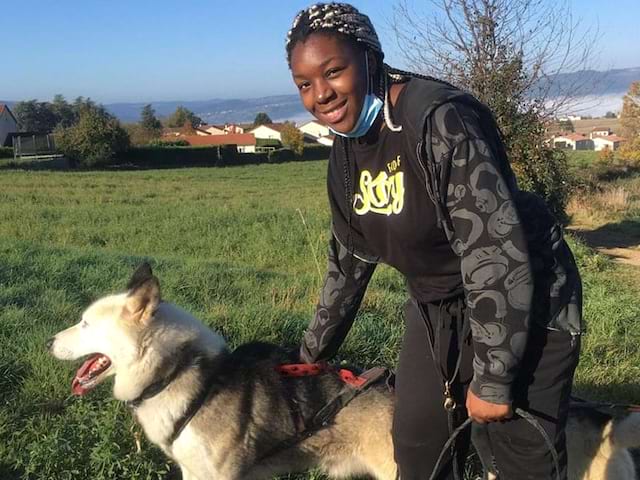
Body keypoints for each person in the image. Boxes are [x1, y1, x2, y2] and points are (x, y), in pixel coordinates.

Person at [285, 3, 583, 479]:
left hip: (527, 298)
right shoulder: (345, 157)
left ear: (370, 59)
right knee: (417, 445)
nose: (321, 94)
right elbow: (348, 264)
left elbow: (495, 254)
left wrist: (493, 377)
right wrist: (307, 358)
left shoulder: (438, 120)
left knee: (519, 454)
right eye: (305, 84)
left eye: (333, 71)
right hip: (435, 307)